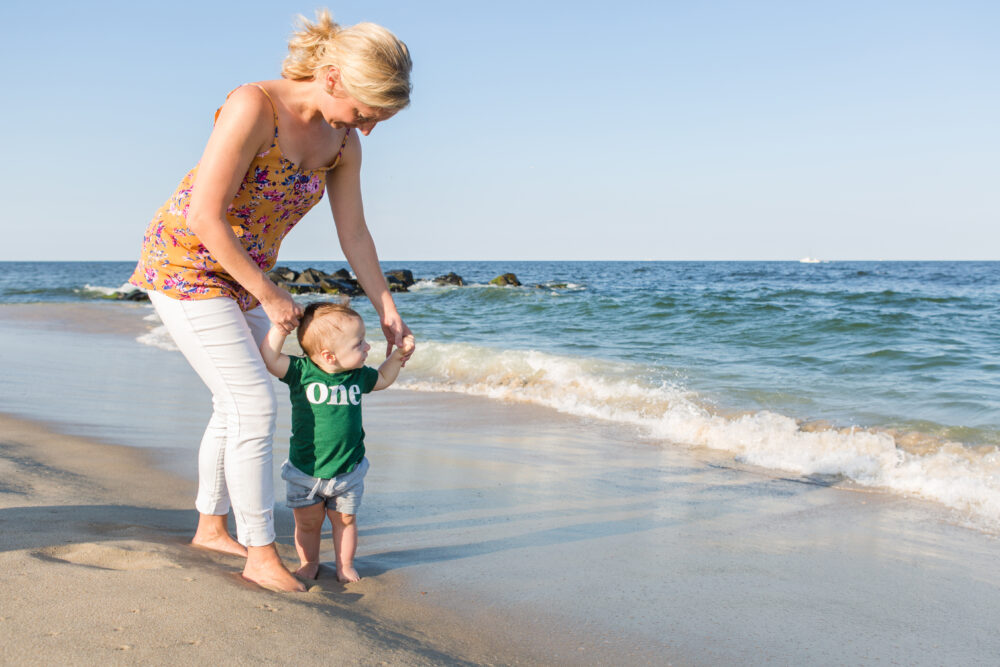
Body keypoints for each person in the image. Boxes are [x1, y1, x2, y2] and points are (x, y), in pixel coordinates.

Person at [127, 10, 413, 592]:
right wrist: (267, 290)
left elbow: (354, 233)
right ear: (331, 77)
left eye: (379, 119)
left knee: (234, 404)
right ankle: (260, 553)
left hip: (246, 273)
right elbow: (203, 214)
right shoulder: (253, 105)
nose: (369, 127)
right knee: (254, 403)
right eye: (366, 112)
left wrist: (386, 307)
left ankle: (211, 525)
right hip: (185, 264)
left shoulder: (343, 140)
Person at [260, 301, 414, 582]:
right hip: (305, 470)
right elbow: (270, 359)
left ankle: (345, 564)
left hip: (348, 470)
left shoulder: (358, 376)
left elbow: (381, 379)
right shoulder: (301, 371)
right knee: (307, 524)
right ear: (329, 355)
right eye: (359, 344)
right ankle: (309, 562)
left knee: (345, 520)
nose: (367, 347)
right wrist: (280, 327)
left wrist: (397, 358)